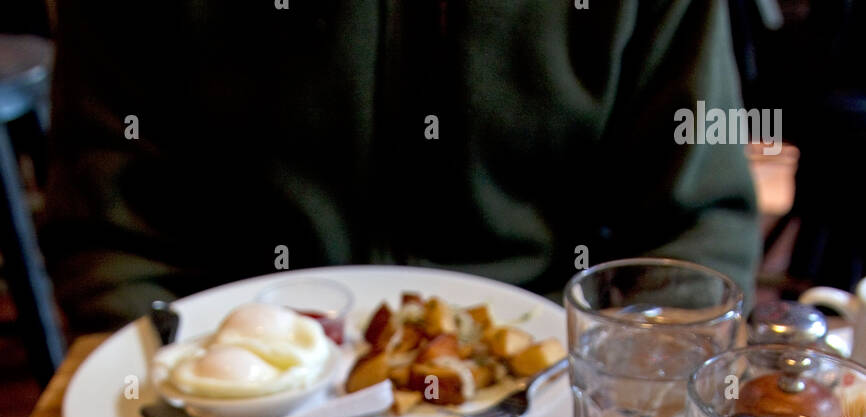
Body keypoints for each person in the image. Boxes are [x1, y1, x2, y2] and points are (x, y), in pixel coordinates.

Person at [43, 0, 759, 331]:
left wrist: (622, 398)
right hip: (229, 389)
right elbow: (109, 240)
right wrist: (190, 383)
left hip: (544, 401)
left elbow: (697, 235)